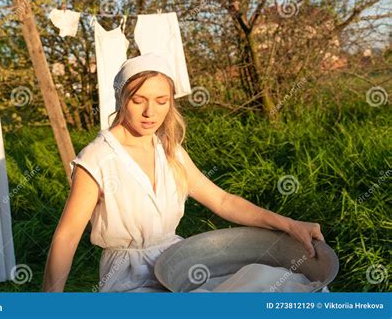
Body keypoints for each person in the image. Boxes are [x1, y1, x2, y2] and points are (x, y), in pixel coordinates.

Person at [42, 53, 325, 292]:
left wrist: (289, 225)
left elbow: (223, 201)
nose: (150, 112)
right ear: (121, 97)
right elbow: (66, 237)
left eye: (161, 101)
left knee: (272, 282)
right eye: (139, 100)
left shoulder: (170, 151)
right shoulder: (97, 158)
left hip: (179, 261)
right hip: (128, 278)